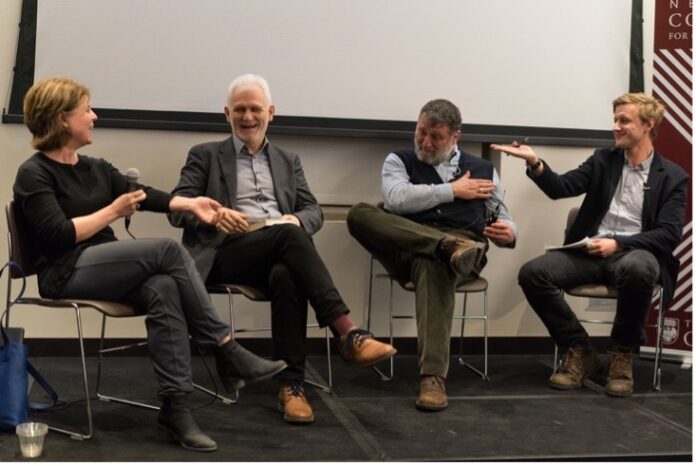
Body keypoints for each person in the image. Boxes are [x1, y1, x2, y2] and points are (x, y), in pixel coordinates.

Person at [13, 77, 287, 452]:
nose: (94, 116)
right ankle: (225, 347)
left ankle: (176, 410)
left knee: (164, 286)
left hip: (104, 268)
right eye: (86, 110)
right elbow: (58, 236)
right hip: (65, 272)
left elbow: (144, 196)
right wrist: (112, 210)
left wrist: (191, 204)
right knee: (166, 251)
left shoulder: (93, 166)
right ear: (62, 119)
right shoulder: (34, 173)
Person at [168, 73, 396, 425]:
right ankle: (348, 331)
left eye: (255, 108)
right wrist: (214, 217)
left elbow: (313, 210)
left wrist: (298, 221)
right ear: (226, 114)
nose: (247, 117)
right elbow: (178, 209)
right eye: (239, 109)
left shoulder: (288, 160)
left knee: (287, 271)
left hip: (278, 247)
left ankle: (291, 387)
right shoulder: (205, 155)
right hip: (227, 251)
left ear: (271, 112)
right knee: (289, 238)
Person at [492, 92, 688, 397]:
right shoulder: (603, 160)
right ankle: (579, 349)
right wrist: (534, 162)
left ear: (648, 124)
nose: (616, 126)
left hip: (632, 255)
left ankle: (622, 356)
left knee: (639, 267)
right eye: (615, 119)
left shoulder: (672, 176)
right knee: (533, 273)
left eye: (624, 120)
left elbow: (668, 234)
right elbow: (561, 187)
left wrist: (618, 244)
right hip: (588, 253)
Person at [346, 99, 517, 411]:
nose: (424, 141)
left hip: (465, 249)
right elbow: (396, 200)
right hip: (407, 244)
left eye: (435, 136)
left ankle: (433, 377)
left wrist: (509, 233)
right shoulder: (399, 160)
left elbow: (503, 217)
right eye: (421, 132)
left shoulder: (482, 170)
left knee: (434, 262)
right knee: (359, 214)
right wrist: (453, 191)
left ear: (455, 137)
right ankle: (442, 245)